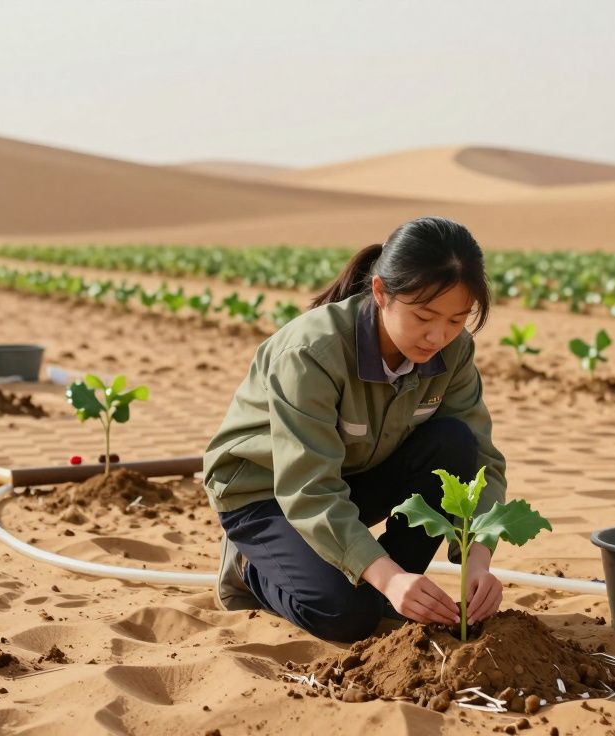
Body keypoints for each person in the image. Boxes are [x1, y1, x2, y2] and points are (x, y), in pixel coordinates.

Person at [204, 216, 509, 642]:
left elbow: (482, 462)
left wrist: (478, 557)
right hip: (268, 494)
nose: (437, 336)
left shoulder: (453, 351)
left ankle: (388, 593)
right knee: (345, 616)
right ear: (381, 292)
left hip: (351, 479)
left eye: (456, 320)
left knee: (455, 442)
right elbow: (307, 488)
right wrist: (388, 577)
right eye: (424, 316)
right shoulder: (311, 352)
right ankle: (248, 566)